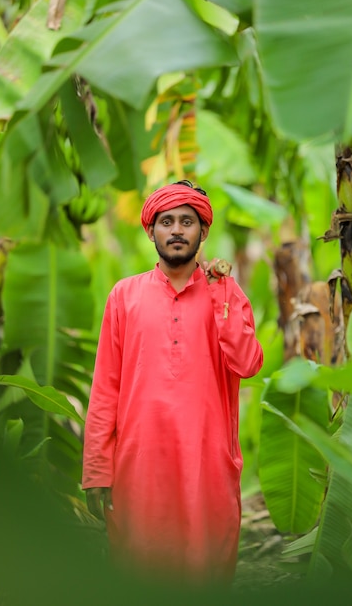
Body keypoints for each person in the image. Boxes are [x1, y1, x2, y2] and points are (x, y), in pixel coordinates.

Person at [82, 180, 263, 584]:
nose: (177, 230)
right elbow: (105, 389)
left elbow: (249, 363)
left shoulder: (226, 294)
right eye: (166, 222)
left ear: (204, 231)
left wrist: (221, 297)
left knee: (206, 570)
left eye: (187, 221)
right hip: (139, 467)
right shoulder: (123, 296)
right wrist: (97, 469)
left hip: (207, 465)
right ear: (151, 231)